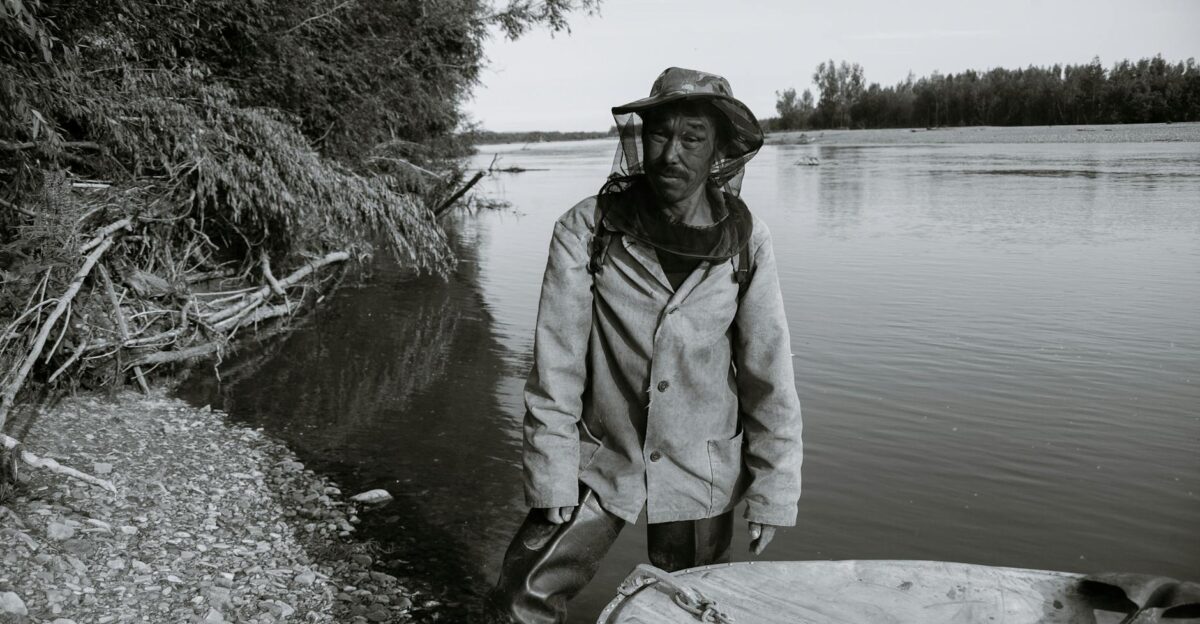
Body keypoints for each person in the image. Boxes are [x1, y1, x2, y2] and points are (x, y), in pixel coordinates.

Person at [488, 67, 803, 624]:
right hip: (599, 455)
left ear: (719, 150)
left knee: (692, 609)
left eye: (692, 138)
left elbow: (768, 374)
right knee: (521, 600)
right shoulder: (587, 229)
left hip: (702, 465)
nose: (671, 154)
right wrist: (552, 472)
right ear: (640, 138)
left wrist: (774, 488)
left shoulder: (747, 243)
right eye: (660, 134)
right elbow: (556, 366)